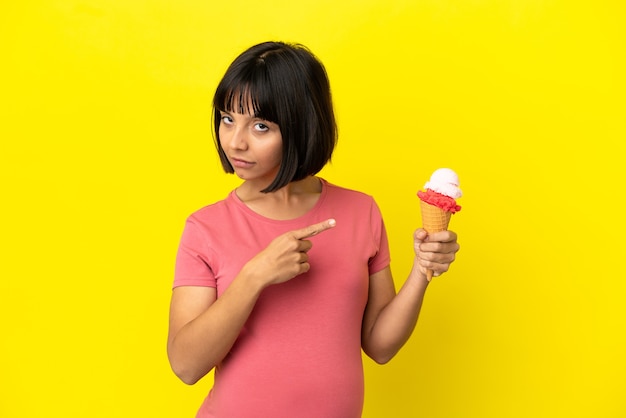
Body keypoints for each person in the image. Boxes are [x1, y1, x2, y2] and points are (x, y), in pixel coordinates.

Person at [167, 41, 460, 418]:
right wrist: (254, 276)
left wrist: (423, 270)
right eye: (227, 119)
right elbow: (186, 366)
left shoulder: (360, 211)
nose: (235, 141)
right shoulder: (206, 227)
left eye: (260, 126)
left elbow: (380, 346)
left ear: (302, 125)